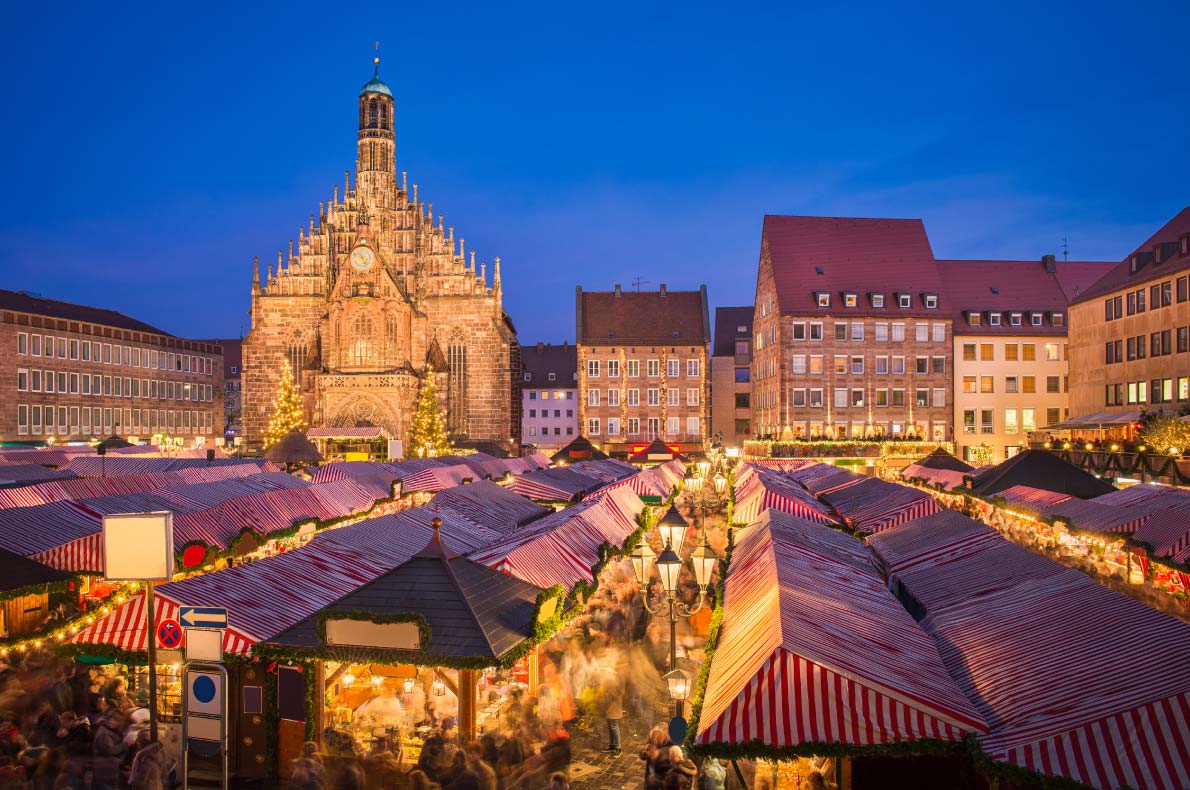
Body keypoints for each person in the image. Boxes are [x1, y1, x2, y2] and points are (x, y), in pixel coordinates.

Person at [91, 710, 126, 790]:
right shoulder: (104, 733)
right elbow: (110, 750)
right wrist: (125, 745)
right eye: (112, 719)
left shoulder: (110, 731)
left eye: (116, 720)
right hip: (104, 768)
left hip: (107, 768)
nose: (112, 722)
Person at [599, 672, 624, 755]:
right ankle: (612, 745)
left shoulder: (616, 690)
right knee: (611, 728)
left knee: (614, 728)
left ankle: (618, 748)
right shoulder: (612, 689)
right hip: (610, 712)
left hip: (614, 712)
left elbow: (613, 701)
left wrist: (607, 692)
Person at [641, 726, 671, 790]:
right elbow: (642, 755)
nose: (655, 740)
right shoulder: (651, 739)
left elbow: (670, 763)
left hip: (661, 780)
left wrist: (658, 754)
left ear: (664, 735)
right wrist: (645, 752)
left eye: (658, 738)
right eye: (654, 738)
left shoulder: (670, 744)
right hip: (649, 779)